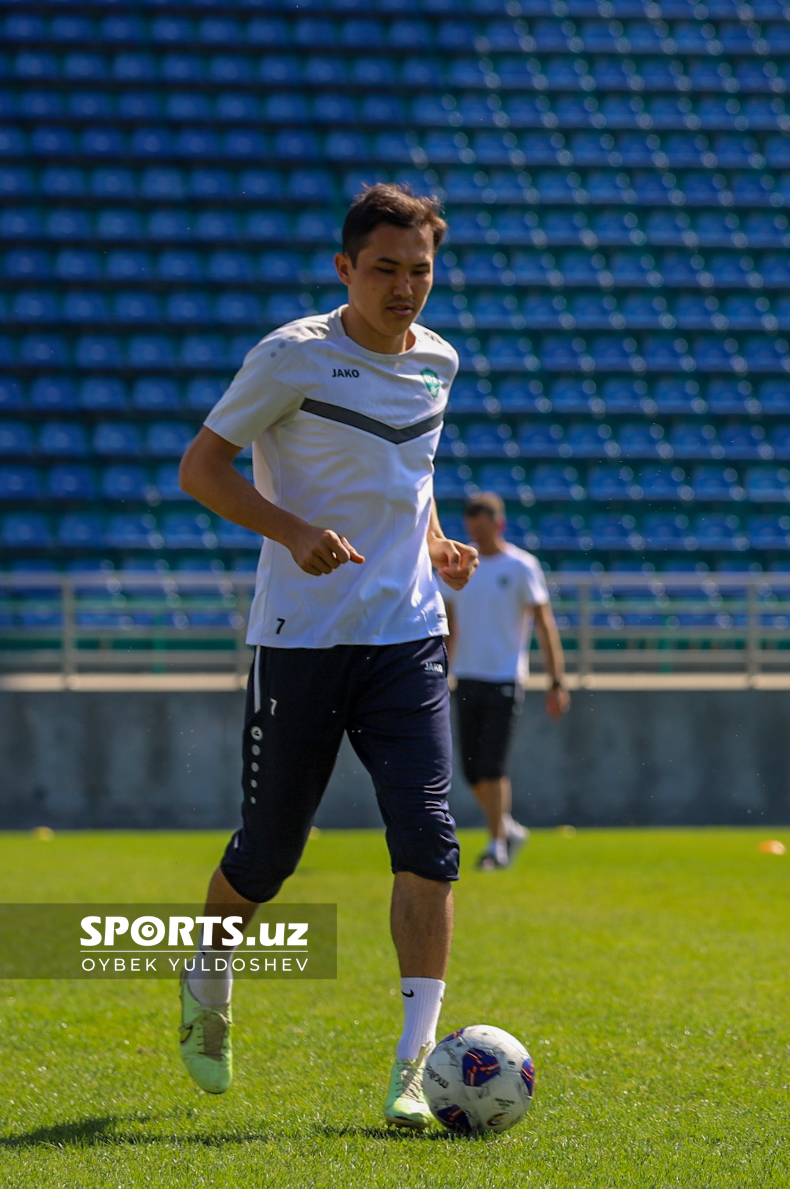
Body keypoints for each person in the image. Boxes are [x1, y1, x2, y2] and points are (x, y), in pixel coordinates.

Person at [173, 183, 478, 1130]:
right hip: (300, 641)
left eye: (418, 271)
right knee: (268, 856)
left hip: (407, 638)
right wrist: (293, 530)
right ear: (345, 268)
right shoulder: (291, 356)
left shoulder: (439, 361)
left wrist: (432, 543)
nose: (403, 288)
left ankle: (413, 1065)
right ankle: (207, 974)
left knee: (428, 837)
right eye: (383, 269)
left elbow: (410, 473)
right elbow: (201, 469)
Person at [444, 491, 570, 871]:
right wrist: (441, 671)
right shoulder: (462, 566)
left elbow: (544, 624)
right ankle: (508, 827)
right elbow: (450, 626)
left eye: (481, 529)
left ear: (498, 524)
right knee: (470, 770)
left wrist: (556, 680)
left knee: (492, 765)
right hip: (466, 676)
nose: (475, 538)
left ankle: (496, 844)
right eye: (471, 530)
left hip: (504, 676)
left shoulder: (521, 566)